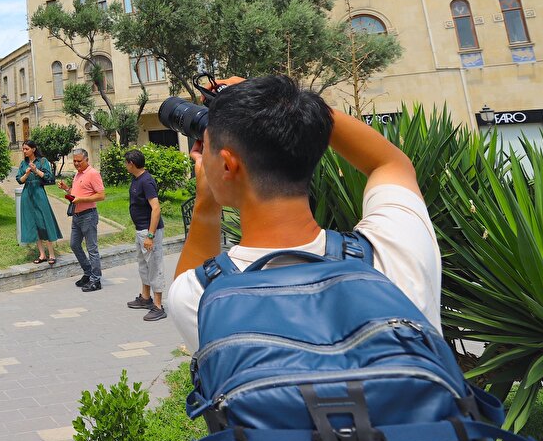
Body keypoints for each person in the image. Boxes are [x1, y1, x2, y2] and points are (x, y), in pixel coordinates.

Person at [168, 74, 440, 351]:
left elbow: (184, 281)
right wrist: (288, 108)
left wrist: (206, 204)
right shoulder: (395, 251)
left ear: (227, 165)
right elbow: (391, 163)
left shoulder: (203, 298)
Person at [124, 149, 166, 321]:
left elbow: (156, 208)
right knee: (143, 265)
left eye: (126, 163)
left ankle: (158, 306)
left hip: (149, 231)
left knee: (154, 266)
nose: (125, 166)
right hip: (140, 230)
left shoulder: (146, 181)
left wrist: (150, 235)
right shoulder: (136, 179)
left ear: (131, 164)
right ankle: (145, 297)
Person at [57, 148, 105, 291]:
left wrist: (82, 199)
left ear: (86, 160)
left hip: (88, 215)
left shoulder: (93, 174)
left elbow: (101, 195)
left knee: (92, 248)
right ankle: (88, 272)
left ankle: (96, 280)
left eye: (79, 161)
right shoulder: (78, 174)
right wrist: (67, 189)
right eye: (75, 161)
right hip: (77, 216)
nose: (76, 164)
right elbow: (76, 193)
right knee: (74, 245)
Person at [15, 140, 62, 265]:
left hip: (39, 193)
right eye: (23, 149)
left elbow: (49, 178)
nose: (24, 151)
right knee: (33, 223)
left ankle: (51, 254)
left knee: (44, 222)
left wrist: (36, 171)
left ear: (33, 149)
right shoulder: (23, 163)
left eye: (26, 149)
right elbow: (19, 180)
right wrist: (26, 174)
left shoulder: (42, 161)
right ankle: (42, 254)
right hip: (27, 195)